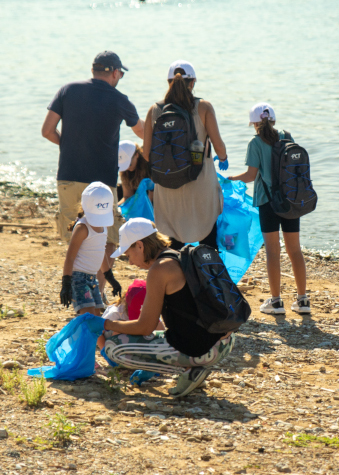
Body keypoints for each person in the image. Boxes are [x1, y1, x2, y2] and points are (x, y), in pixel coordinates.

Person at [42, 51, 143, 294]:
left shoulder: (67, 90)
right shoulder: (120, 99)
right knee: (106, 239)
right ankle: (94, 292)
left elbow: (47, 131)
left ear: (93, 70)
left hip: (68, 175)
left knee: (75, 238)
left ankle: (79, 293)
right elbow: (142, 133)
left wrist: (70, 146)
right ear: (116, 73)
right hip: (102, 180)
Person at [100, 218, 236, 398]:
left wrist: (106, 325)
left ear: (140, 246)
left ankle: (191, 370)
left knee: (113, 348)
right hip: (225, 341)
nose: (131, 262)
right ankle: (193, 368)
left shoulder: (159, 269)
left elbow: (145, 327)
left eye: (128, 255)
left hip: (207, 350)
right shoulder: (178, 256)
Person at [229, 102, 309, 315]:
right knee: (295, 250)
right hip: (291, 200)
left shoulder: (255, 143)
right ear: (272, 119)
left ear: (254, 123)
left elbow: (250, 176)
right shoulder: (287, 136)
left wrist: (229, 179)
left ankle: (276, 302)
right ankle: (303, 301)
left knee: (273, 251)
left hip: (267, 202)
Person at [142, 60, 228, 249]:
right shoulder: (203, 107)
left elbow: (146, 154)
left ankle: (174, 277)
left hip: (167, 186)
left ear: (168, 82)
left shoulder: (155, 110)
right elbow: (219, 147)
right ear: (193, 82)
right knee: (208, 241)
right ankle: (207, 274)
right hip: (199, 182)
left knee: (173, 244)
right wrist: (223, 158)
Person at [60, 183, 115, 317]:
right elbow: (70, 257)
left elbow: (100, 253)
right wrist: (66, 283)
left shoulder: (103, 226)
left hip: (93, 279)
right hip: (79, 279)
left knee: (96, 316)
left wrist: (111, 278)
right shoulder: (82, 228)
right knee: (89, 318)